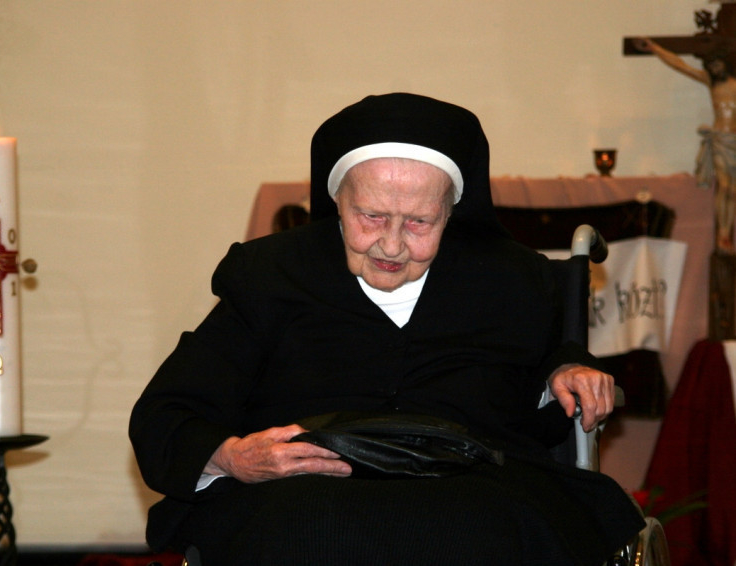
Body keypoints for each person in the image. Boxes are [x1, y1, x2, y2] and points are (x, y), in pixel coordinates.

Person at [130, 93, 644, 565]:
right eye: (371, 216)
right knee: (303, 530)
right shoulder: (269, 275)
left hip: (477, 490)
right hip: (302, 494)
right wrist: (234, 457)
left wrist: (564, 374)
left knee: (485, 531)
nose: (392, 245)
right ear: (338, 200)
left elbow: (542, 401)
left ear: (451, 211)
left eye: (420, 222)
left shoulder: (512, 277)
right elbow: (167, 412)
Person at [636, 37, 736, 252]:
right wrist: (655, 48)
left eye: (717, 65)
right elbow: (680, 65)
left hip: (734, 142)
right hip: (719, 140)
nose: (714, 69)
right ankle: (723, 234)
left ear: (726, 64)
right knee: (724, 186)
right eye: (710, 66)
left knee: (733, 191)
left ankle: (728, 231)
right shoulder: (710, 82)